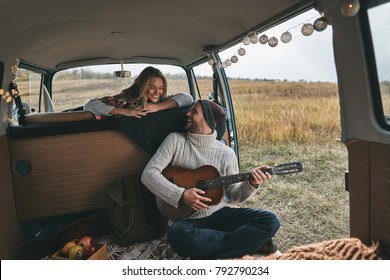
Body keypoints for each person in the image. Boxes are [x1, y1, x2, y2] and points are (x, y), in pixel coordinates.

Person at [141, 99, 280, 259]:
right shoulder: (175, 140)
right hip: (187, 221)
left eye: (194, 111)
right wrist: (181, 195)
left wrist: (252, 183)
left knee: (270, 220)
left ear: (207, 119)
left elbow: (234, 196)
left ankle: (213, 245)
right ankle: (251, 243)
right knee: (177, 235)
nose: (187, 113)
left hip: (220, 214)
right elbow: (149, 174)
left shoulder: (226, 153)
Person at [84, 66, 193, 118]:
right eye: (152, 87)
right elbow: (90, 105)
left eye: (161, 88)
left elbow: (187, 98)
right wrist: (127, 112)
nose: (157, 92)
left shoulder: (163, 101)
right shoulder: (125, 99)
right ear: (143, 86)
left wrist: (157, 107)